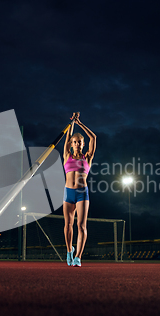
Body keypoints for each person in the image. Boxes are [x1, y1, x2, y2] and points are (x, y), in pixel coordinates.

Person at [63, 112, 96, 267]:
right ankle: (69, 251)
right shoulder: (66, 156)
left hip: (82, 193)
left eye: (79, 142)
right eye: (74, 142)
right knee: (68, 224)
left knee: (81, 226)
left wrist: (80, 123)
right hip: (68, 193)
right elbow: (67, 136)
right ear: (71, 143)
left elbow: (94, 138)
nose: (77, 144)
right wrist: (72, 124)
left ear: (83, 144)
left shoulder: (87, 158)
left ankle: (78, 257)